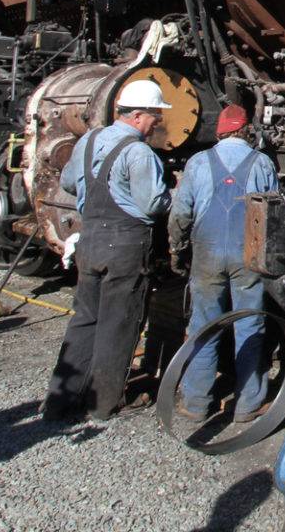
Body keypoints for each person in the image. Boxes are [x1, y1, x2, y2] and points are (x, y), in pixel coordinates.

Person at [42, 78, 172, 422]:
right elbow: (152, 205)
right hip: (125, 246)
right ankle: (103, 403)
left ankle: (60, 400)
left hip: (90, 241)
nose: (157, 122)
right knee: (119, 323)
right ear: (139, 116)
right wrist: (170, 192)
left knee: (85, 320)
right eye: (155, 115)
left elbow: (69, 182)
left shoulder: (88, 141)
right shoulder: (139, 152)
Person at [168, 104, 279, 422]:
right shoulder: (262, 163)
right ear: (246, 131)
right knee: (249, 323)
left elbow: (180, 214)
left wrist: (178, 249)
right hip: (248, 253)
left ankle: (196, 402)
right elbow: (275, 212)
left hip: (206, 253)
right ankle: (247, 403)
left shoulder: (197, 162)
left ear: (220, 131)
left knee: (203, 325)